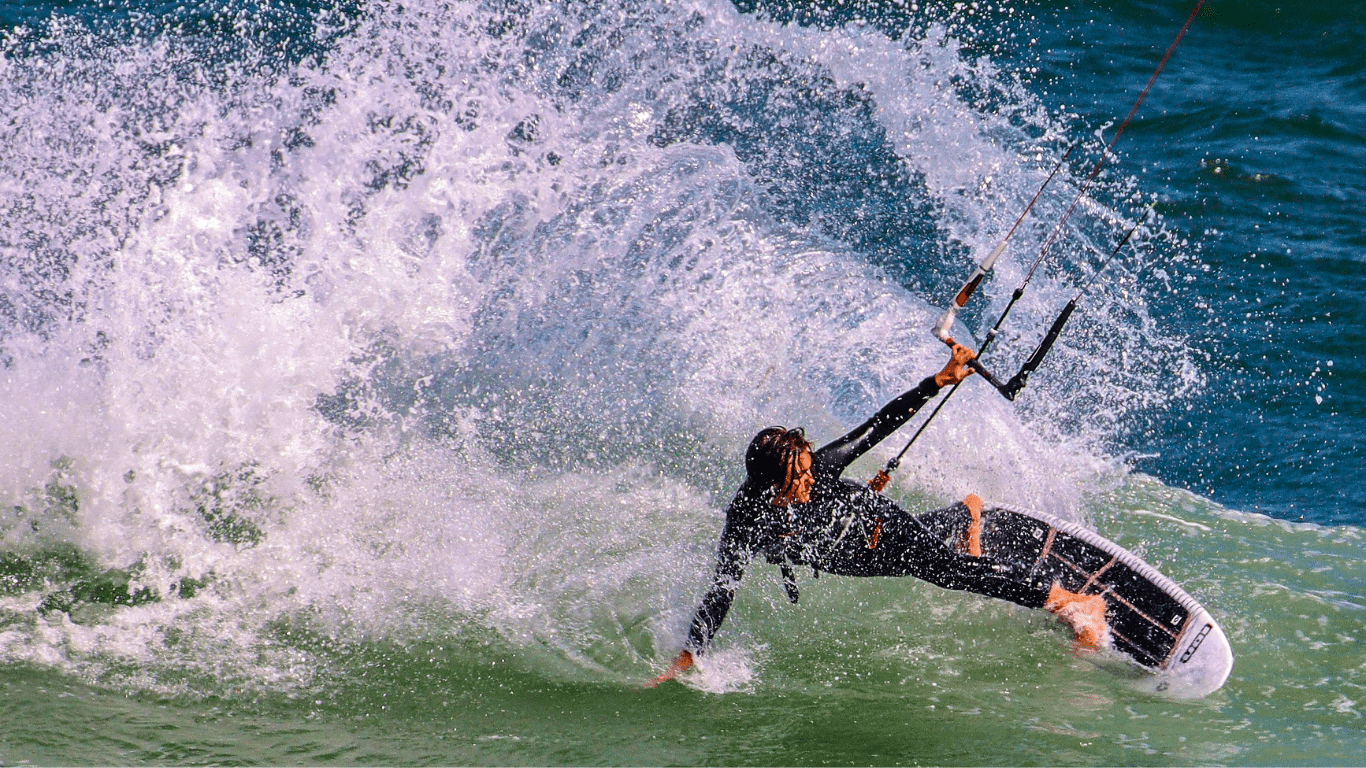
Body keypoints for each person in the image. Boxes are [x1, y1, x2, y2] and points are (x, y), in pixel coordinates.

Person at [647, 343, 1108, 687]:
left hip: (876, 526)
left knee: (947, 570)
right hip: (846, 560)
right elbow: (722, 590)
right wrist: (689, 656)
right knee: (926, 556)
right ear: (770, 484)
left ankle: (1073, 603)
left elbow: (876, 426)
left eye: (809, 471)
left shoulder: (820, 467)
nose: (808, 481)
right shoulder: (745, 521)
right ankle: (965, 514)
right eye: (799, 479)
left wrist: (938, 381)